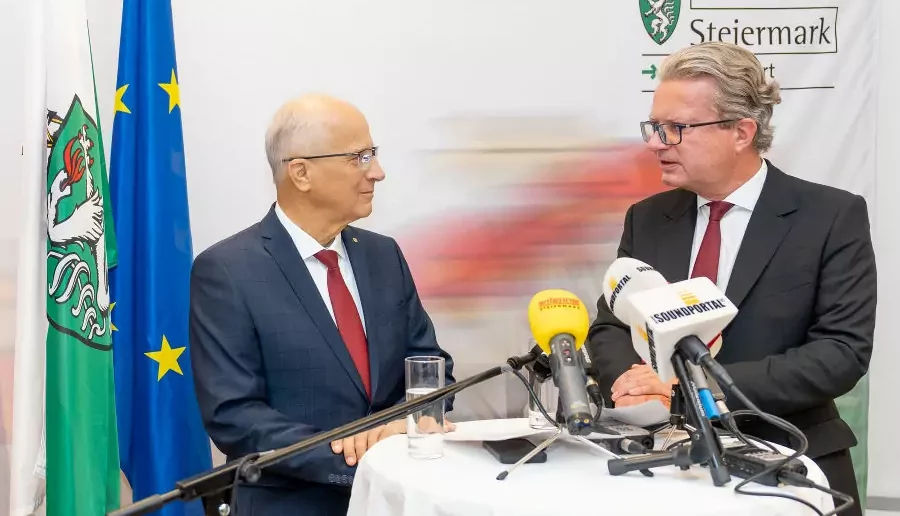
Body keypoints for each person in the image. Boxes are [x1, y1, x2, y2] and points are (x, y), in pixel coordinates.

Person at [585, 42, 874, 515]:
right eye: (654, 127)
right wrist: (632, 385)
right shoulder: (648, 218)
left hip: (791, 467)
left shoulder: (830, 216)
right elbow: (612, 326)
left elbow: (840, 354)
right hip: (663, 471)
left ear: (741, 132)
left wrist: (692, 389)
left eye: (675, 128)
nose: (655, 143)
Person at [189, 94, 455, 515]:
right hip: (292, 504)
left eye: (373, 154)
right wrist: (355, 455)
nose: (378, 172)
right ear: (301, 173)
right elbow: (235, 415)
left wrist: (405, 423)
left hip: (397, 501)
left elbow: (431, 365)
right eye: (360, 157)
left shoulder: (383, 255)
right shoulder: (227, 270)